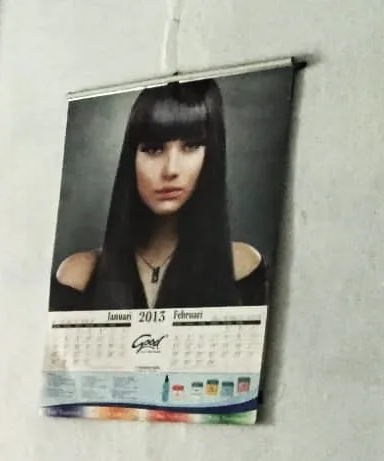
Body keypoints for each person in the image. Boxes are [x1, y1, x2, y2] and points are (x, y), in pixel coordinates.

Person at [52, 79, 266, 311]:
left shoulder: (242, 266)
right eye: (154, 149)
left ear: (211, 154)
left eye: (191, 147)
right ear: (131, 159)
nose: (171, 169)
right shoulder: (78, 275)